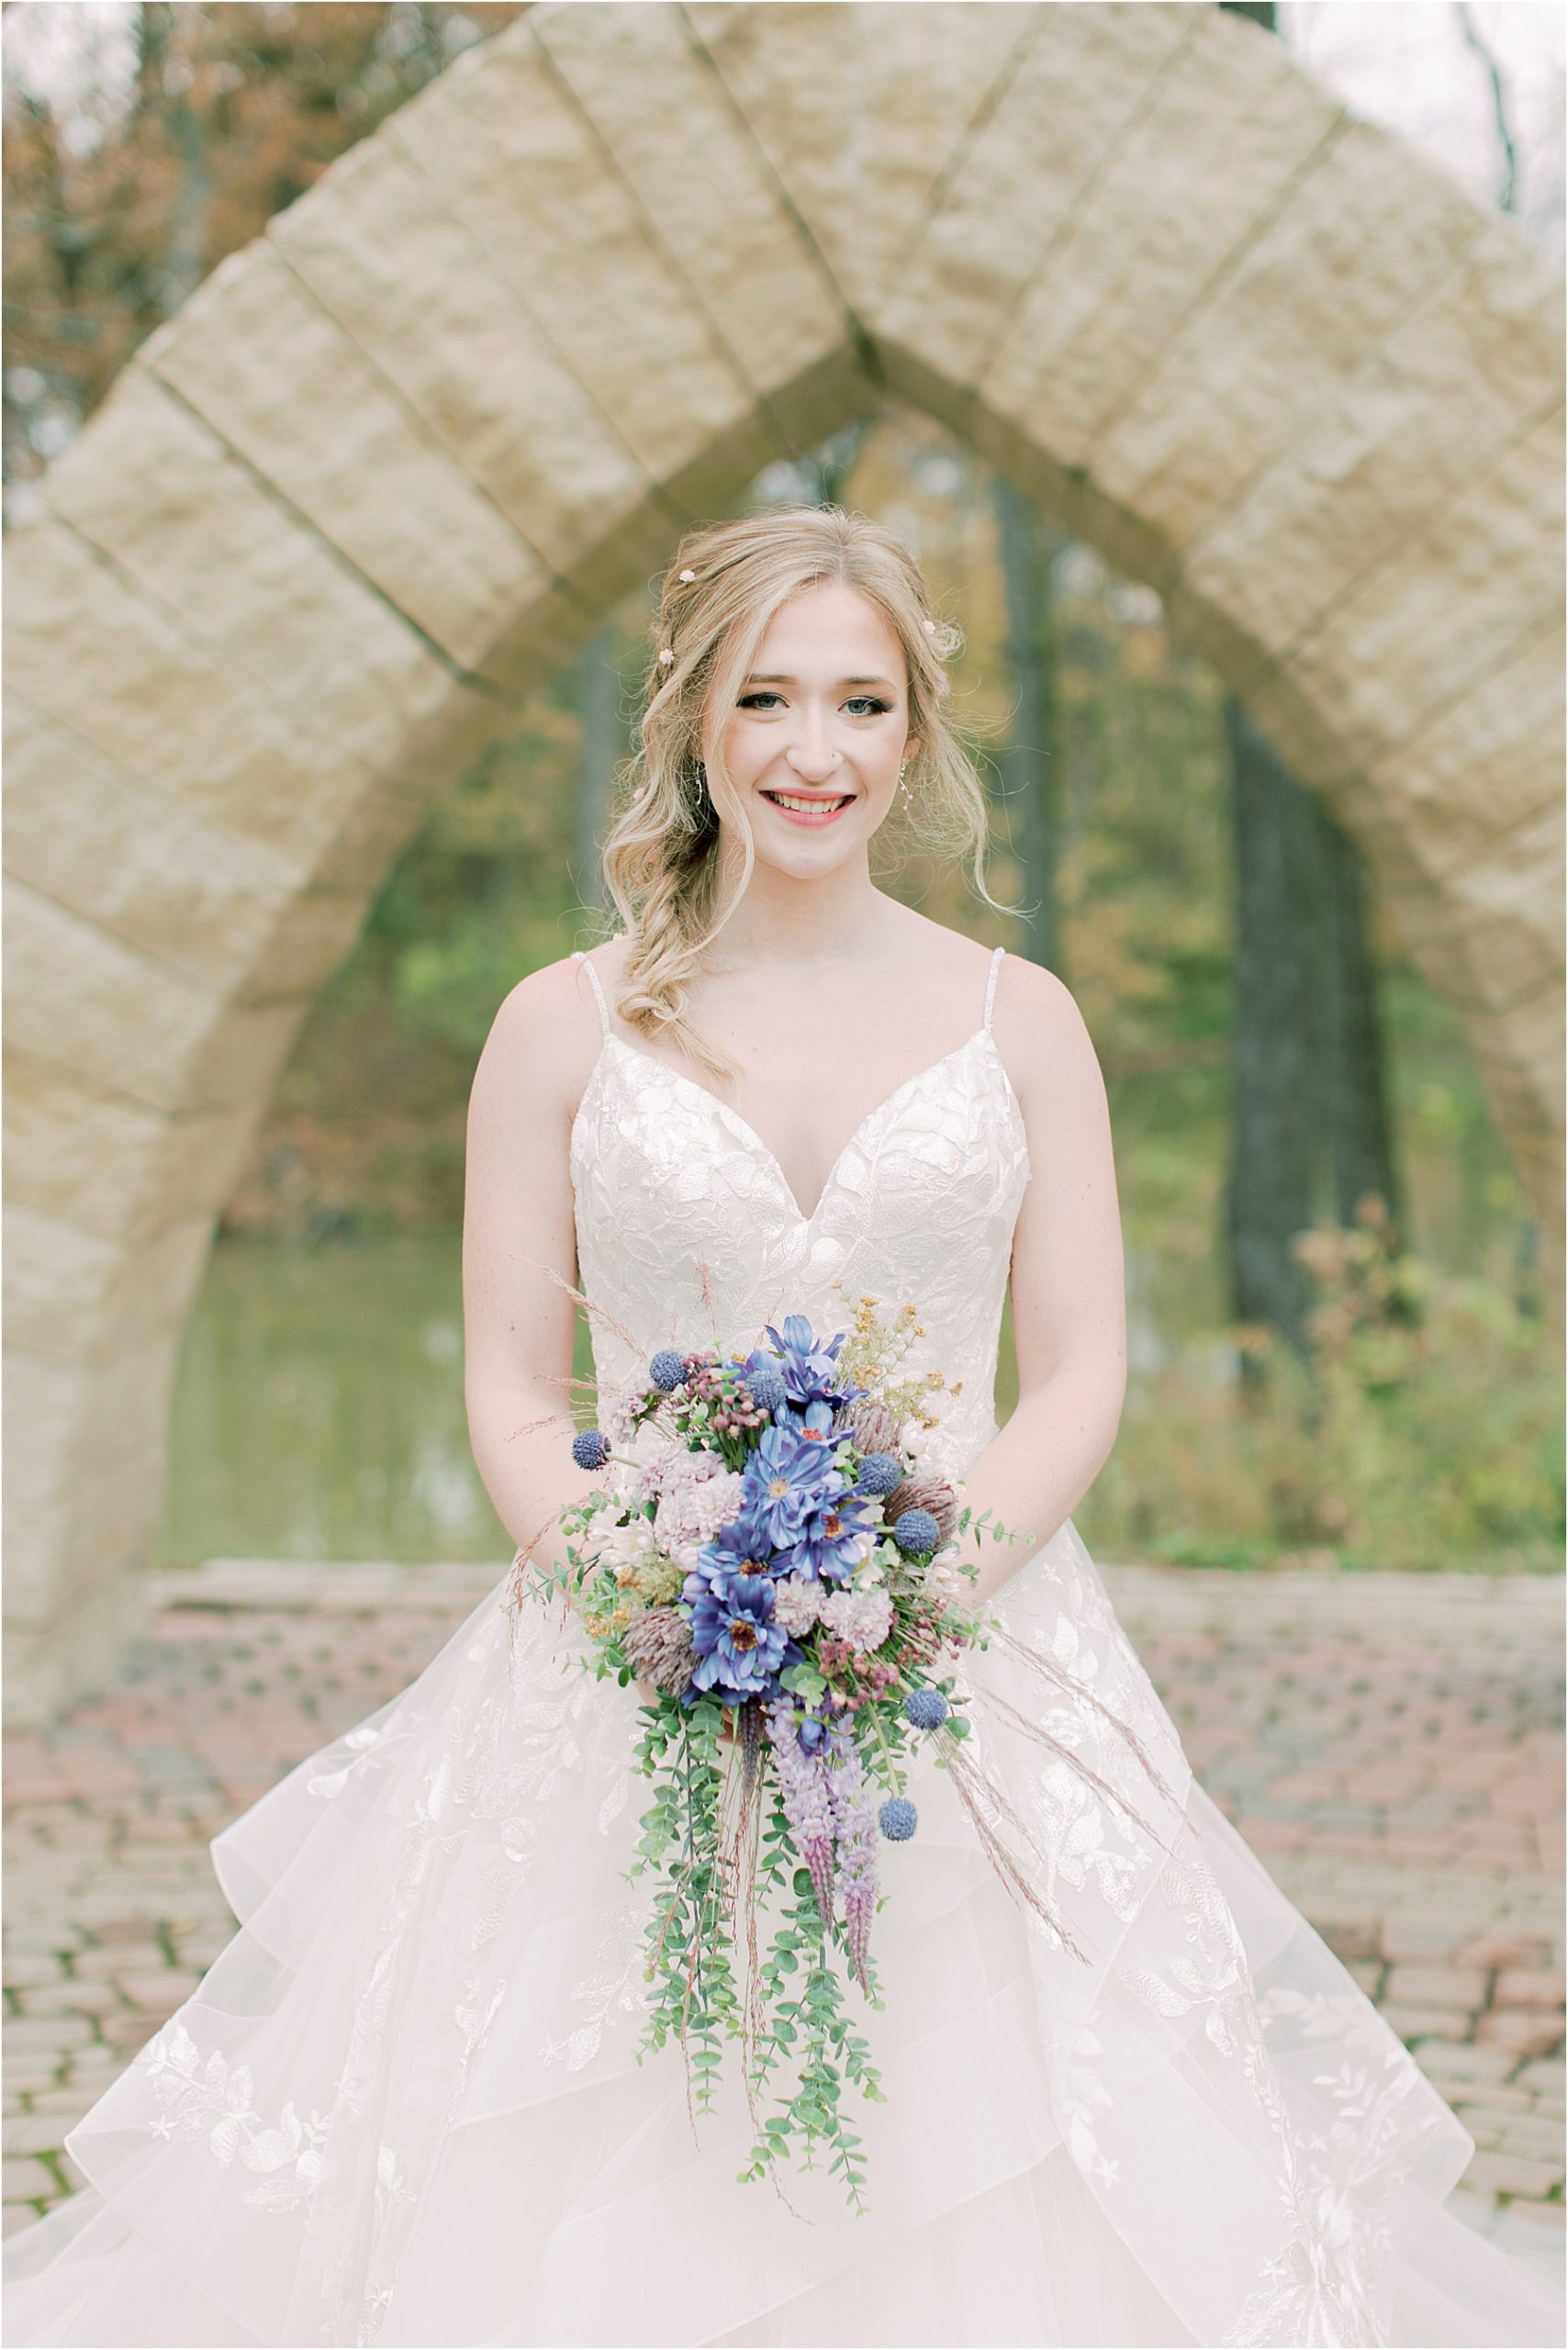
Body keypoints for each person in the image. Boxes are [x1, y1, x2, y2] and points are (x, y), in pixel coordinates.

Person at [5, 508, 1561, 2349]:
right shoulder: (558, 1027)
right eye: (763, 696)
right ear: (690, 722)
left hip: (965, 1660)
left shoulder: (1022, 1022)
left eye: (857, 701)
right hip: (635, 1650)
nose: (809, 749)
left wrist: (918, 1594)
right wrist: (630, 1586)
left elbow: (1073, 1366)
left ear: (913, 737)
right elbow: (511, 1384)